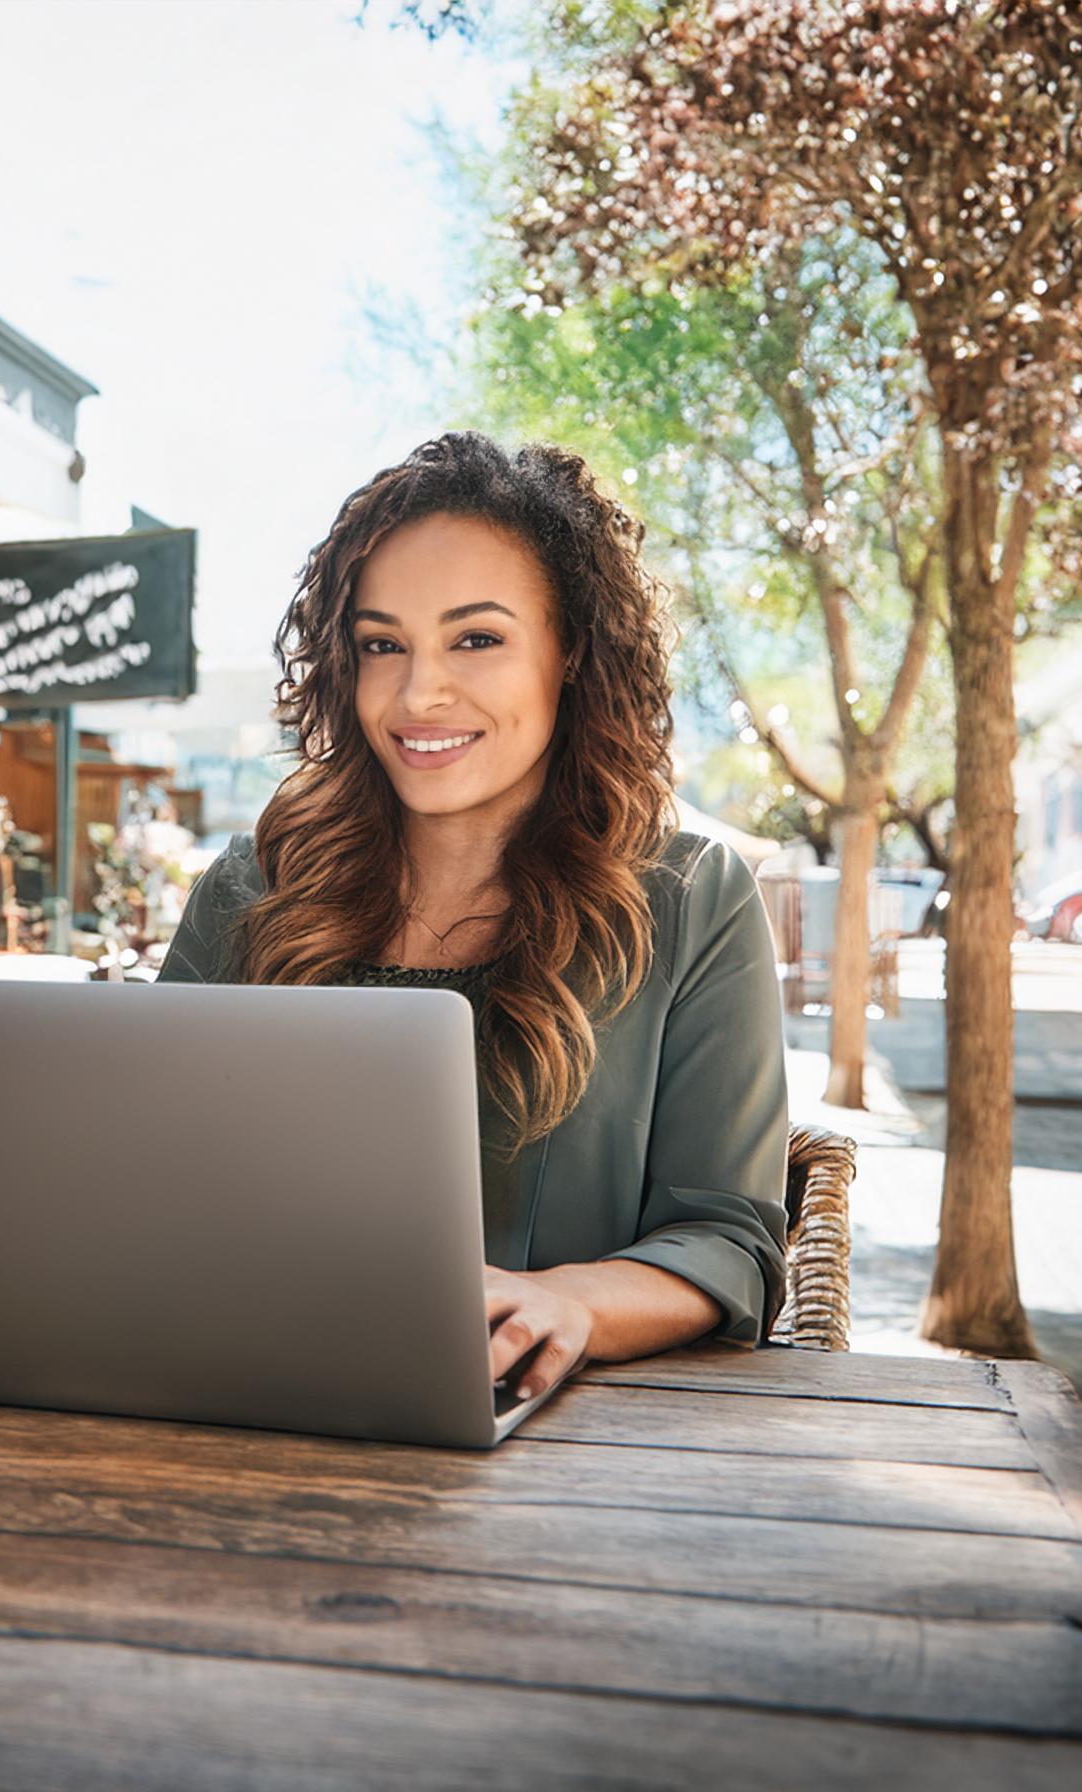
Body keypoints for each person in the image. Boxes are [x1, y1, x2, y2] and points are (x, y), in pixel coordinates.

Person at [157, 432, 790, 1404]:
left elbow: (728, 1238)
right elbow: (150, 1176)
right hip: (244, 1399)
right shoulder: (252, 885)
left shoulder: (689, 897)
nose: (418, 693)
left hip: (561, 1444)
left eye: (477, 638)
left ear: (571, 650)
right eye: (383, 645)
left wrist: (570, 1302)